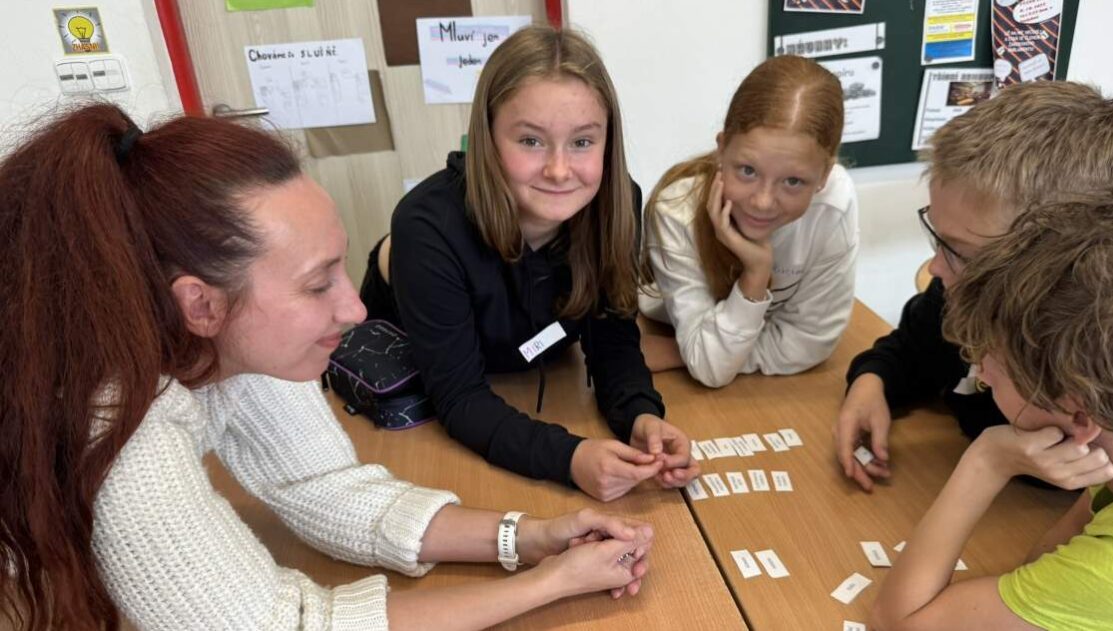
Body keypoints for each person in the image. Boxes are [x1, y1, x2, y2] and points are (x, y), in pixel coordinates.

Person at [0, 104, 654, 631]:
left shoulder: (230, 343)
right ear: (200, 303)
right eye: (318, 285)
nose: (354, 307)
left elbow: (330, 491)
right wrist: (548, 585)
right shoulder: (120, 439)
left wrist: (532, 537)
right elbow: (280, 625)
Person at [359, 26, 699, 502]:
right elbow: (459, 397)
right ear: (488, 138)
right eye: (531, 141)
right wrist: (570, 458)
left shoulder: (617, 203)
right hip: (428, 398)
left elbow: (612, 341)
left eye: (582, 142)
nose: (559, 170)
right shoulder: (427, 224)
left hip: (534, 376)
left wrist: (641, 416)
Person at [872, 188, 1113, 630]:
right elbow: (1044, 565)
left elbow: (899, 622)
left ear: (1080, 419)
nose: (979, 366)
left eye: (993, 361)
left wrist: (987, 461)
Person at [834, 81, 1113, 491]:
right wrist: (872, 383)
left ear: (1060, 260)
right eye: (938, 238)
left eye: (960, 252)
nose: (935, 267)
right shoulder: (968, 284)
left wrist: (996, 459)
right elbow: (911, 349)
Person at [638, 55, 859, 389]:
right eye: (748, 171)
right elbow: (712, 371)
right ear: (721, 149)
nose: (762, 202)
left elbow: (809, 343)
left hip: (721, 364)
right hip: (668, 329)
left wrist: (689, 352)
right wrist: (755, 277)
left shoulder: (834, 206)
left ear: (825, 174)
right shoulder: (676, 211)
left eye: (793, 181)